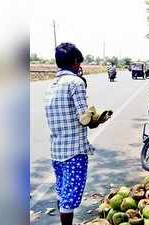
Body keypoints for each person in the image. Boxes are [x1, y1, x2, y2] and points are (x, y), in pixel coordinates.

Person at [44, 42, 97, 225]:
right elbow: (84, 118)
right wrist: (97, 119)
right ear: (75, 61)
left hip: (57, 151)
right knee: (70, 197)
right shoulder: (75, 82)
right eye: (79, 62)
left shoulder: (51, 85)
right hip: (74, 152)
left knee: (62, 191)